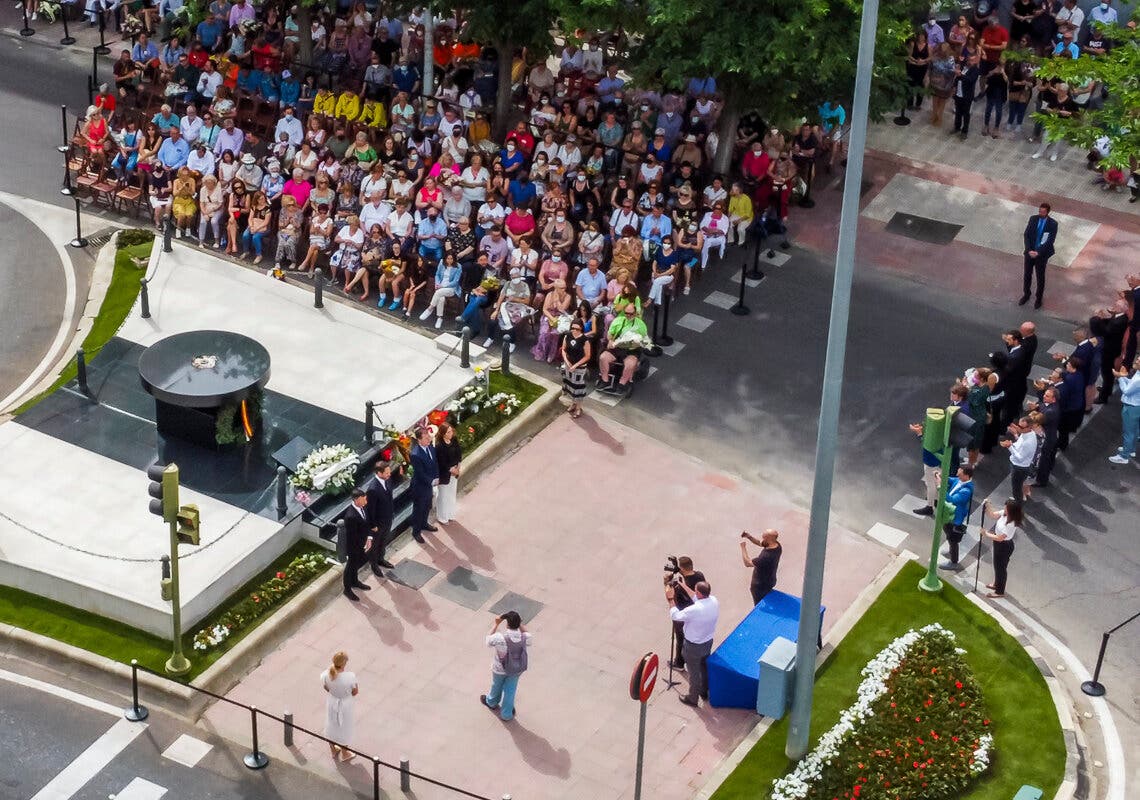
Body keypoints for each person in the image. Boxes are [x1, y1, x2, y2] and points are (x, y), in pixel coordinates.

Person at [667, 580, 718, 707]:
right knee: (704, 668)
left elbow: (676, 616)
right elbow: (695, 596)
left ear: (700, 593)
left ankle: (692, 698)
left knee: (694, 672)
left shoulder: (694, 610)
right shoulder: (713, 601)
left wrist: (671, 599)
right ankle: (704, 692)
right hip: (707, 641)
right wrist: (681, 584)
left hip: (693, 645)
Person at [481, 611, 532, 721]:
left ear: (507, 624)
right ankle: (506, 714)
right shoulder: (524, 637)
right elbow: (529, 635)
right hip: (516, 670)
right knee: (510, 690)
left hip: (499, 669)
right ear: (518, 623)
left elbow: (488, 641)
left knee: (496, 685)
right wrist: (519, 624)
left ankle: (492, 702)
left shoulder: (500, 638)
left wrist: (496, 624)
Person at [665, 557, 706, 670]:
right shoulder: (700, 576)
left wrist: (666, 583)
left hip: (684, 616)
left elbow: (670, 597)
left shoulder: (680, 587)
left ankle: (679, 663)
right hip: (697, 614)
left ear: (681, 568)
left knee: (680, 639)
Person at [321, 651, 358, 762]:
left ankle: (333, 749)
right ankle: (345, 752)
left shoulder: (326, 674)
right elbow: (355, 691)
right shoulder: (350, 677)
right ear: (343, 664)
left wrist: (334, 693)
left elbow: (326, 687)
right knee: (345, 727)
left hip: (332, 701)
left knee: (331, 723)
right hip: (345, 704)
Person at [1020, 203, 1058, 310]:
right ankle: (1026, 294)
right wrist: (1029, 250)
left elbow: (1050, 241)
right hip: (1030, 252)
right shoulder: (1033, 219)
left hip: (1041, 255)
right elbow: (1026, 235)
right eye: (1039, 211)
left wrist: (1038, 252)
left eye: (1043, 212)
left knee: (1040, 277)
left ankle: (1038, 299)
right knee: (1027, 274)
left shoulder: (1053, 224)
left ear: (1047, 212)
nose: (1040, 213)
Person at [982, 499, 1023, 598]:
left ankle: (999, 591)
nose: (1004, 508)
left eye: (1006, 508)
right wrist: (988, 505)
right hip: (999, 544)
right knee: (997, 565)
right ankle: (996, 584)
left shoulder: (1011, 523)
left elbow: (1000, 538)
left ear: (1011, 511)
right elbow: (992, 515)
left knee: (1001, 568)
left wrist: (986, 534)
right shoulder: (1004, 514)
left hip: (1004, 546)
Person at [939, 465, 975, 570]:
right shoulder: (960, 481)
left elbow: (951, 500)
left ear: (966, 476)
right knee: (947, 530)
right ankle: (951, 549)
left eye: (960, 474)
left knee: (953, 538)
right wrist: (941, 475)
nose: (958, 475)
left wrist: (939, 486)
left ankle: (954, 561)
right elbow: (950, 479)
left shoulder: (966, 491)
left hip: (955, 517)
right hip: (949, 514)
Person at [365, 461, 397, 576]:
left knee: (383, 541)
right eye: (387, 472)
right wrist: (373, 526)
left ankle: (381, 559)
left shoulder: (387, 480)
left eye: (389, 471)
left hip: (387, 519)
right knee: (375, 544)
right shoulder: (373, 489)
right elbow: (370, 510)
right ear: (379, 473)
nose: (389, 474)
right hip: (378, 523)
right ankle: (374, 565)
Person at [341, 489, 372, 601]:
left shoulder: (362, 508)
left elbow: (366, 523)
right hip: (354, 546)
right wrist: (362, 545)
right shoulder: (351, 516)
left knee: (355, 565)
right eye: (363, 499)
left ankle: (355, 582)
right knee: (350, 566)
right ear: (356, 500)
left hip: (361, 543)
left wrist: (369, 537)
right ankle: (347, 589)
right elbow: (353, 536)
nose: (366, 501)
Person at [408, 426, 438, 543]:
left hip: (429, 484)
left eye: (429, 437)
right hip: (420, 486)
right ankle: (416, 532)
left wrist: (436, 476)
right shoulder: (415, 454)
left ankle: (424, 523)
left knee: (427, 506)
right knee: (419, 509)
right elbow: (420, 472)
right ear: (419, 440)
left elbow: (434, 463)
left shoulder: (430, 447)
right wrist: (431, 481)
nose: (428, 439)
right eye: (426, 438)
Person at [1108, 361, 1140, 464]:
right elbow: (1131, 385)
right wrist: (1123, 376)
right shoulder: (1138, 374)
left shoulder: (1138, 379)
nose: (1136, 360)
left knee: (1128, 432)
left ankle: (1124, 456)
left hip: (1131, 408)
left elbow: (1126, 390)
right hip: (1136, 407)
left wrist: (1120, 377)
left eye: (1139, 360)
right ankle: (1131, 449)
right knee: (1135, 431)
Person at [1000, 417, 1037, 503]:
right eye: (1018, 425)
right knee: (1017, 486)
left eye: (1021, 427)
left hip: (1020, 468)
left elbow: (1020, 458)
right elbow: (1019, 443)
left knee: (1016, 488)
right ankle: (1017, 500)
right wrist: (1011, 444)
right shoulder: (1027, 433)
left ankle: (1017, 505)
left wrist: (1009, 447)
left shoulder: (1028, 442)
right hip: (1018, 465)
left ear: (1029, 427)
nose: (1018, 428)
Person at [740, 529, 782, 604]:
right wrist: (749, 537)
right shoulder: (777, 546)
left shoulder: (766, 557)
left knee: (759, 604)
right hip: (770, 581)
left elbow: (747, 563)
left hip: (759, 586)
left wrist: (743, 548)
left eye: (764, 538)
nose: (762, 539)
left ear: (768, 539)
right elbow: (760, 543)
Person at [561, 319, 592, 418]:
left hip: (579, 367)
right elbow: (564, 350)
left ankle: (578, 407)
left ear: (581, 328)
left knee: (578, 387)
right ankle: (573, 403)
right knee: (570, 384)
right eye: (573, 328)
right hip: (568, 365)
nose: (574, 330)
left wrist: (575, 365)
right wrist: (566, 361)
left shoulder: (585, 340)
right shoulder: (568, 336)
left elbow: (587, 356)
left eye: (577, 329)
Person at [434, 422, 462, 525]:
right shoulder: (439, 447)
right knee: (443, 496)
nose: (451, 433)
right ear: (443, 434)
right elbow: (442, 463)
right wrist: (451, 470)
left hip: (454, 471)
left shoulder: (454, 440)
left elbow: (459, 453)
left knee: (451, 494)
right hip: (445, 474)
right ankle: (442, 517)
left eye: (451, 431)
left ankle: (450, 514)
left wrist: (458, 467)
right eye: (448, 432)